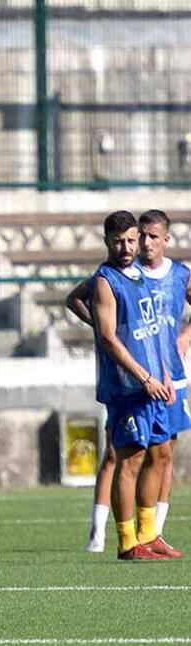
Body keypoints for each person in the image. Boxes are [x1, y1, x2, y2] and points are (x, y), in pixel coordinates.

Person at [67, 209, 189, 556]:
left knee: (161, 453)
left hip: (156, 383)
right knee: (130, 458)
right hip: (129, 386)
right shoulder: (105, 280)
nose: (126, 247)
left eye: (131, 240)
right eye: (118, 241)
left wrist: (163, 368)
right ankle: (126, 541)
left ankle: (149, 534)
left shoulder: (140, 273)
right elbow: (108, 336)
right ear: (107, 241)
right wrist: (145, 376)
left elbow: (152, 328)